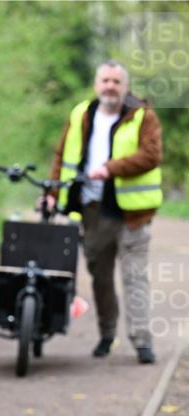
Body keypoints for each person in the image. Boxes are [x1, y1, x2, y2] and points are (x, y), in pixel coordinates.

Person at [44, 60, 162, 364]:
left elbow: (151, 155)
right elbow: (62, 156)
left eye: (116, 81)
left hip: (133, 214)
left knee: (134, 277)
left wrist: (110, 168)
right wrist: (52, 192)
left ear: (125, 86)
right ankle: (107, 334)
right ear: (97, 84)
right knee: (100, 276)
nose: (110, 86)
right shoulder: (81, 114)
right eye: (105, 81)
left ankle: (141, 340)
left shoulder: (141, 116)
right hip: (93, 212)